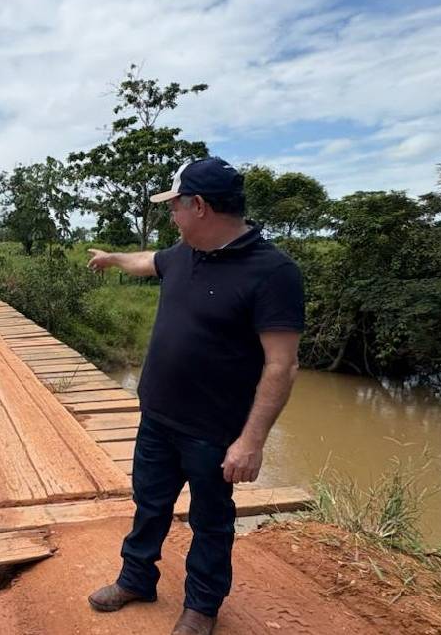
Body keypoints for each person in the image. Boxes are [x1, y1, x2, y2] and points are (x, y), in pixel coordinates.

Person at [85, 157, 304, 635]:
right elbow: (149, 262)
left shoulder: (273, 272)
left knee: (211, 521)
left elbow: (282, 364)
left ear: (199, 205)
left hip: (214, 430)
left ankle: (202, 607)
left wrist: (251, 441)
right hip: (158, 418)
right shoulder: (186, 252)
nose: (171, 216)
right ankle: (136, 579)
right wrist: (112, 259)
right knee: (149, 505)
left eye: (175, 206)